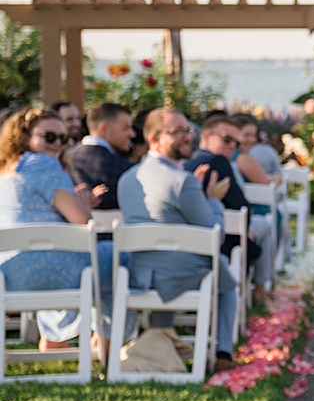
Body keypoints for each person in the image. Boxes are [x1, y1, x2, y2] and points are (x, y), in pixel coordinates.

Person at [118, 108, 240, 373]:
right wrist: (214, 201)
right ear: (154, 139)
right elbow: (212, 233)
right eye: (177, 132)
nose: (187, 137)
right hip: (178, 273)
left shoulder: (127, 179)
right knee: (225, 277)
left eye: (188, 130)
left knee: (176, 262)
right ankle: (223, 353)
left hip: (140, 272)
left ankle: (163, 342)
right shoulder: (182, 180)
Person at [0, 107, 116, 354]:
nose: (58, 144)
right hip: (48, 270)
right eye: (49, 137)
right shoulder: (41, 164)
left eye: (63, 138)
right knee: (122, 258)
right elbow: (82, 224)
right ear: (23, 137)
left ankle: (55, 337)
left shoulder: (6, 170)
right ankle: (104, 343)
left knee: (63, 255)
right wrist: (83, 207)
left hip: (9, 274)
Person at [188, 114, 270, 299]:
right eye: (226, 139)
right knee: (265, 226)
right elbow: (241, 206)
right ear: (207, 136)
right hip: (222, 242)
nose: (232, 145)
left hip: (193, 243)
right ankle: (260, 289)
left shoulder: (188, 162)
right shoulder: (217, 162)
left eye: (235, 142)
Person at [70, 102, 137, 210]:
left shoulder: (65, 160)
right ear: (104, 129)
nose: (132, 134)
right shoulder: (124, 169)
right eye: (125, 128)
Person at [234, 113, 284, 182]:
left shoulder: (230, 155)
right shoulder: (242, 158)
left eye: (254, 136)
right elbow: (265, 184)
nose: (252, 140)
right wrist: (276, 178)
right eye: (246, 135)